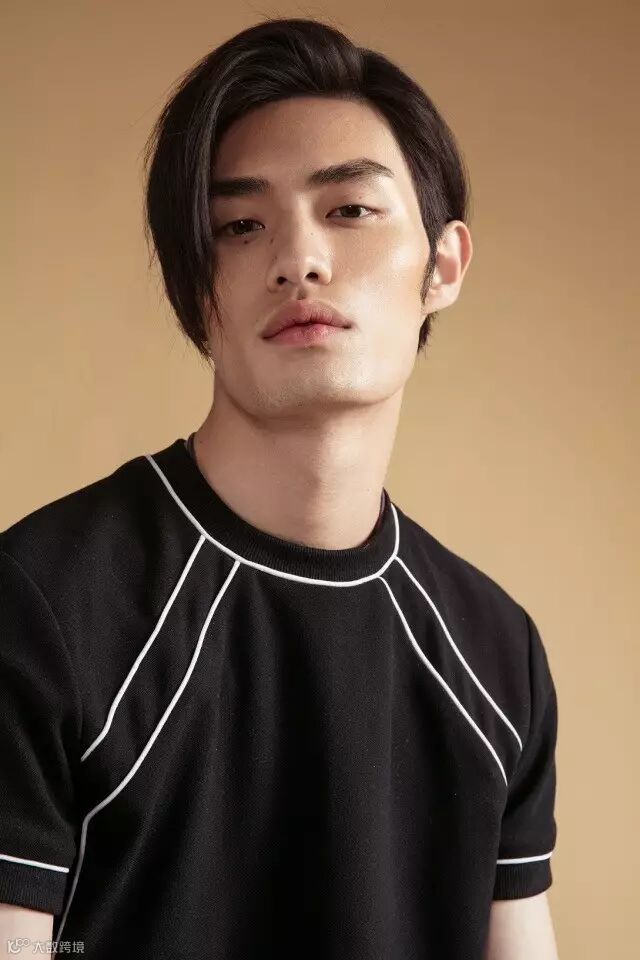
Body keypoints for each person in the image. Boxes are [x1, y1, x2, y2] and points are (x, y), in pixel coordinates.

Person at [0, 16, 559, 960]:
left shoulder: (500, 656)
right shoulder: (40, 608)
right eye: (240, 226)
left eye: (350, 210)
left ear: (444, 265)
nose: (299, 260)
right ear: (196, 292)